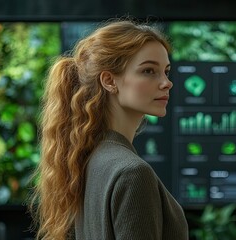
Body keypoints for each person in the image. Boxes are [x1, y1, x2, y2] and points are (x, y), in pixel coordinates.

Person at [29, 18, 189, 240]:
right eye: (149, 71)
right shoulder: (132, 173)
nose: (166, 82)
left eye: (166, 71)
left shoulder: (85, 159)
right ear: (109, 80)